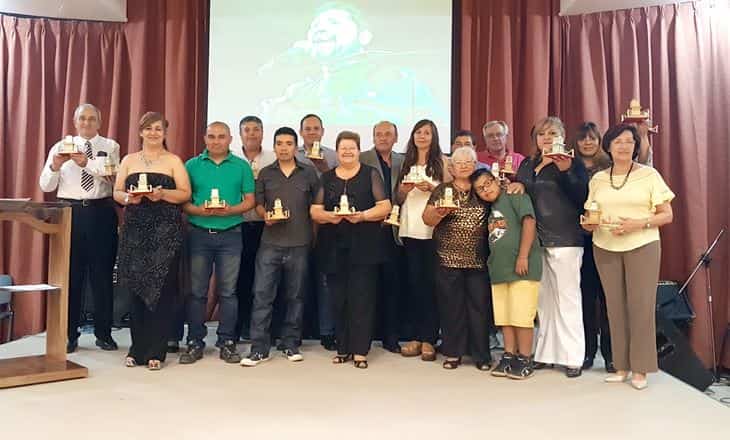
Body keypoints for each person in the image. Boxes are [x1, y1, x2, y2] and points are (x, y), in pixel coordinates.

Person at [583, 124, 674, 390]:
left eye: (629, 141)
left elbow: (667, 215)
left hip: (642, 245)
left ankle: (641, 368)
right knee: (614, 307)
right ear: (608, 146)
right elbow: (591, 212)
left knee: (641, 307)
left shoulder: (649, 175)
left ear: (635, 147)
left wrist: (639, 223)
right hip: (605, 245)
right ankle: (621, 366)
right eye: (618, 141)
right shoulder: (598, 179)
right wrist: (589, 224)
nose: (623, 146)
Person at [39, 103, 120, 354]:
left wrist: (87, 163)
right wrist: (54, 166)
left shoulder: (110, 146)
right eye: (82, 118)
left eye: (91, 118)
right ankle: (69, 335)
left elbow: (113, 179)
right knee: (71, 276)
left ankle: (104, 334)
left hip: (101, 212)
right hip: (69, 213)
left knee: (102, 276)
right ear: (75, 122)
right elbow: (45, 186)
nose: (86, 123)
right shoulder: (60, 147)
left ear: (100, 122)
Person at [113, 112, 191, 370]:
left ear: (165, 133)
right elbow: (117, 192)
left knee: (161, 291)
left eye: (158, 129)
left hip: (165, 232)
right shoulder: (129, 160)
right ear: (140, 132)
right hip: (135, 231)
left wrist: (163, 193)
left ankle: (157, 350)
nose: (153, 133)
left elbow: (185, 194)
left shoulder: (173, 160)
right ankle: (136, 349)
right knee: (136, 289)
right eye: (149, 128)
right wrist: (129, 199)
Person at [514, 116, 588, 378]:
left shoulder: (572, 162)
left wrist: (566, 171)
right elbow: (522, 190)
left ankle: (572, 357)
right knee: (543, 301)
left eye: (552, 133)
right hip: (535, 240)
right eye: (541, 134)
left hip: (565, 238)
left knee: (567, 298)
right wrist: (517, 184)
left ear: (563, 137)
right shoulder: (527, 163)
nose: (546, 138)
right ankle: (546, 354)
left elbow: (583, 197)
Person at [311, 130, 391, 368]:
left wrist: (363, 216)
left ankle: (360, 351)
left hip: (364, 246)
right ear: (337, 152)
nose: (347, 152)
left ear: (358, 150)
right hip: (333, 246)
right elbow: (315, 211)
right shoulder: (326, 177)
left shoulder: (370, 174)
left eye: (351, 148)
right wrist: (330, 216)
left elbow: (385, 206)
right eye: (343, 148)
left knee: (362, 298)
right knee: (338, 298)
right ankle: (343, 348)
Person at [241, 127, 320, 366]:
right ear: (274, 147)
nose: (283, 148)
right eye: (279, 143)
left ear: (296, 147)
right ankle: (259, 348)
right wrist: (265, 215)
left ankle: (290, 343)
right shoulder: (266, 173)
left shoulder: (308, 173)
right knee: (262, 296)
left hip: (299, 243)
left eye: (288, 143)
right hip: (270, 244)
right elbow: (259, 204)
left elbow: (317, 207)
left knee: (296, 297)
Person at [179, 122, 256, 364]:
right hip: (199, 233)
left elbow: (250, 201)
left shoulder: (241, 166)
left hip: (231, 234)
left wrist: (230, 210)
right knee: (197, 292)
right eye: (211, 136)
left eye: (221, 137)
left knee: (228, 292)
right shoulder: (191, 165)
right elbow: (184, 202)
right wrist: (199, 210)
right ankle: (195, 341)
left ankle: (227, 341)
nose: (216, 141)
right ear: (204, 138)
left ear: (230, 139)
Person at [422, 147, 492, 370]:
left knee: (479, 308)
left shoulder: (482, 188)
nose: (463, 166)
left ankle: (481, 355)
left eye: (468, 162)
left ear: (475, 165)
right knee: (451, 307)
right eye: (458, 162)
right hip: (447, 258)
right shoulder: (442, 190)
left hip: (478, 259)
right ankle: (453, 352)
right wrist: (439, 212)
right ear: (451, 168)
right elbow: (427, 219)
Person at [473, 169, 542, 379]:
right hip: (499, 269)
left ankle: (525, 358)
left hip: (522, 268)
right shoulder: (491, 208)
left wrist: (523, 256)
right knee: (505, 317)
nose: (486, 190)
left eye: (488, 183)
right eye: (480, 189)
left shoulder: (515, 196)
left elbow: (529, 222)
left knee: (522, 316)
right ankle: (509, 355)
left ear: (496, 180)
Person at [396, 119, 452, 361]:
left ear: (434, 136)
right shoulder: (406, 162)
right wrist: (403, 191)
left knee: (431, 285)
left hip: (433, 230)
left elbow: (450, 194)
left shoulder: (443, 162)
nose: (422, 136)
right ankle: (416, 337)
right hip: (410, 228)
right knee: (415, 284)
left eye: (426, 132)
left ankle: (430, 338)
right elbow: (399, 198)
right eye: (418, 132)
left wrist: (432, 188)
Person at [571, 122, 614, 372]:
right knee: (585, 298)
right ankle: (587, 351)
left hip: (608, 237)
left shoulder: (610, 166)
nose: (587, 142)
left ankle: (610, 354)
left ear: (599, 141)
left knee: (608, 297)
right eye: (582, 138)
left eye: (592, 138)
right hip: (580, 239)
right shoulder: (569, 166)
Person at [359, 121, 405, 353]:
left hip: (395, 231)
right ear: (373, 136)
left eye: (388, 134)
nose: (383, 137)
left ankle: (391, 337)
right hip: (368, 229)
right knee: (366, 287)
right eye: (379, 134)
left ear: (395, 138)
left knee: (393, 286)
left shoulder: (403, 160)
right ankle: (363, 337)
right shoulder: (362, 158)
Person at [295, 113, 338, 351]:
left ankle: (327, 331)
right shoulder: (292, 154)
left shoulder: (333, 156)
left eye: (316, 128)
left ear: (322, 131)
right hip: (295, 223)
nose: (312, 132)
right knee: (297, 281)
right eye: (307, 129)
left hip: (327, 224)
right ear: (301, 132)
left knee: (325, 281)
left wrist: (324, 169)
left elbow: (341, 188)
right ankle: (296, 331)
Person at [234, 116, 277, 342]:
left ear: (262, 133)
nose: (251, 134)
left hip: (266, 226)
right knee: (239, 279)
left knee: (265, 279)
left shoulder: (273, 158)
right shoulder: (231, 159)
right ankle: (239, 326)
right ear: (240, 134)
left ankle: (264, 328)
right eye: (247, 130)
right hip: (236, 225)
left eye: (256, 129)